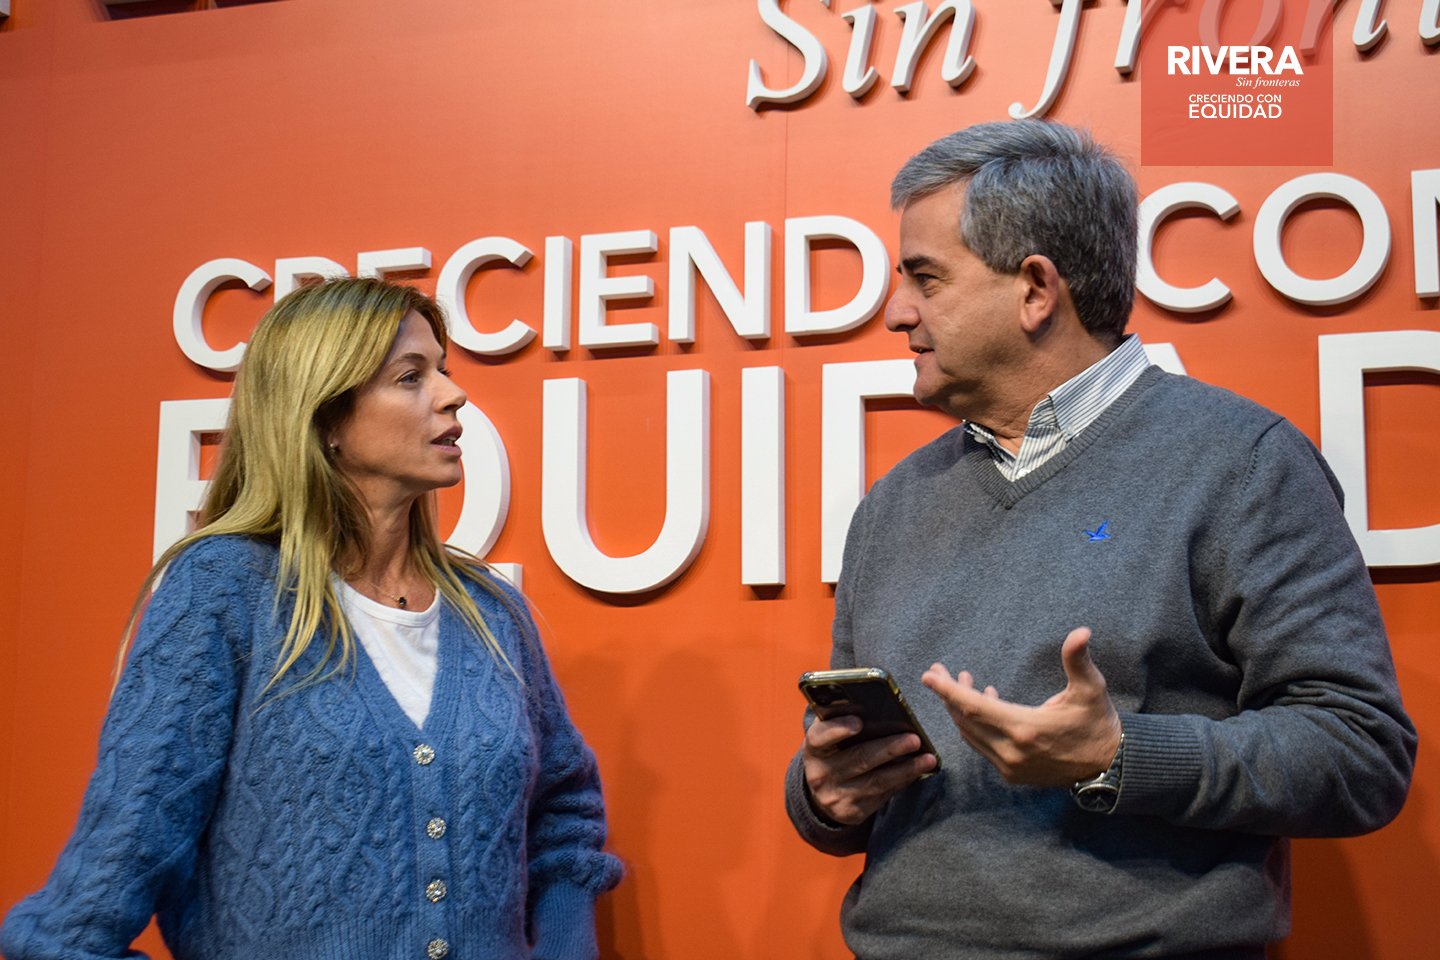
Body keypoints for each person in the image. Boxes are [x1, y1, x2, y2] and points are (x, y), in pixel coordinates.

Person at [785, 121, 1416, 959]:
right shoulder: (894, 503)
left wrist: (1119, 755)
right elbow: (839, 788)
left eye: (925, 278)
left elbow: (1360, 753)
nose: (898, 311)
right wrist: (824, 796)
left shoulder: (1244, 462)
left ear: (1035, 289)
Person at [1, 278, 621, 960]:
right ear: (326, 418)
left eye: (443, 370)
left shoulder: (491, 613)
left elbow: (564, 812)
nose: (453, 394)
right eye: (411, 376)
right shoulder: (225, 590)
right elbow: (94, 893)